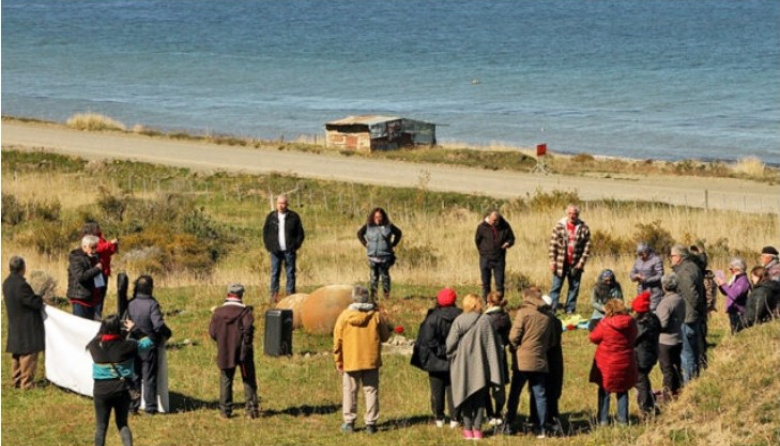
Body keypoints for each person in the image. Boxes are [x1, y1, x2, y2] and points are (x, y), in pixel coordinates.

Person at [333, 286, 391, 434]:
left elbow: (337, 341)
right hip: (371, 359)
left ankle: (349, 422)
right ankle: (371, 423)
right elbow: (385, 336)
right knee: (371, 390)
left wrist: (338, 360)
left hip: (351, 360)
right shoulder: (376, 315)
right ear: (367, 298)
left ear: (353, 298)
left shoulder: (344, 316)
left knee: (350, 391)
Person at [446, 294, 505, 440]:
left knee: (465, 396)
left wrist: (456, 355)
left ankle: (467, 430)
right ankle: (478, 430)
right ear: (478, 304)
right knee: (480, 399)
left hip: (463, 365)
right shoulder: (487, 320)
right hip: (482, 365)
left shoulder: (459, 320)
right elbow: (492, 344)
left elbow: (450, 344)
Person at [87, 314, 152, 446]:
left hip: (101, 391)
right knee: (122, 424)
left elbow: (103, 340)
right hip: (122, 390)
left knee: (101, 426)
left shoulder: (93, 346)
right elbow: (148, 343)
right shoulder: (128, 346)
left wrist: (104, 328)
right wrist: (135, 329)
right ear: (119, 328)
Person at [504, 287, 556, 438]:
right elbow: (552, 341)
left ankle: (509, 423)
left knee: (515, 393)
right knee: (540, 395)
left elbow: (513, 336)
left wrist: (516, 348)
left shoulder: (523, 313)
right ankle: (542, 428)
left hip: (522, 360)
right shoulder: (547, 317)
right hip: (540, 360)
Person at [410, 287, 462, 428]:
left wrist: (441, 351)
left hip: (435, 360)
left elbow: (428, 340)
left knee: (437, 390)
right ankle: (455, 418)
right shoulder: (461, 316)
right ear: (454, 301)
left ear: (438, 300)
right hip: (456, 359)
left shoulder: (432, 318)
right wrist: (451, 351)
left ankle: (439, 418)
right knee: (454, 390)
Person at [209, 283, 259, 419]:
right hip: (243, 352)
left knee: (226, 379)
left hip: (225, 350)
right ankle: (251, 411)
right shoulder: (246, 312)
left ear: (228, 294)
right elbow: (248, 330)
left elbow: (212, 333)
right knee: (248, 379)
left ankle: (225, 412)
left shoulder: (218, 312)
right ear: (241, 295)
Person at [589, 299, 638, 426]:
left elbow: (593, 338)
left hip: (607, 362)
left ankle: (603, 419)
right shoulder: (631, 322)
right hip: (625, 360)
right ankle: (623, 420)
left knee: (604, 390)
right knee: (623, 389)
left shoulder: (605, 323)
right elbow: (635, 337)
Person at [127, 275, 169, 415]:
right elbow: (158, 325)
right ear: (150, 288)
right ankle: (150, 408)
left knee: (135, 377)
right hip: (148, 345)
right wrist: (167, 334)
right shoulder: (152, 304)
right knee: (149, 377)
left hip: (132, 343)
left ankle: (133, 406)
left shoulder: (130, 303)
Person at [3, 256, 45, 390]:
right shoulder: (21, 284)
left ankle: (15, 380)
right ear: (22, 268)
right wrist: (39, 299)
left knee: (17, 353)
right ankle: (26, 383)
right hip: (26, 323)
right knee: (28, 353)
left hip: (15, 321)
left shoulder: (7, 282)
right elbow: (32, 302)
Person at [669, 244, 706, 385]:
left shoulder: (684, 272)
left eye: (672, 256)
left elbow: (692, 295)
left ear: (679, 257)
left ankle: (689, 384)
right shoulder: (693, 267)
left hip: (687, 316)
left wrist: (694, 309)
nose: (670, 258)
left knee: (687, 353)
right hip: (693, 315)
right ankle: (695, 380)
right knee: (694, 351)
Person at [530, 294, 564, 436]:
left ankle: (538, 419)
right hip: (555, 357)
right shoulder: (556, 321)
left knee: (538, 390)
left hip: (544, 356)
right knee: (552, 389)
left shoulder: (542, 320)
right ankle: (552, 418)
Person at [548, 204, 591, 314]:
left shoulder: (584, 228)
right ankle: (552, 310)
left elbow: (587, 247)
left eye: (575, 214)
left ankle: (570, 310)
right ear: (567, 214)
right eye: (570, 213)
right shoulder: (559, 226)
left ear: (578, 215)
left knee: (574, 288)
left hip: (576, 263)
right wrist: (552, 261)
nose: (572, 216)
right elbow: (552, 245)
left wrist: (581, 263)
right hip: (560, 262)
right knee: (556, 287)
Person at [262, 194, 305, 303]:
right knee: (275, 272)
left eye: (283, 203)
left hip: (289, 250)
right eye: (279, 203)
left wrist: (295, 245)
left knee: (290, 273)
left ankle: (290, 296)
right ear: (276, 204)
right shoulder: (271, 217)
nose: (281, 206)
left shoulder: (294, 217)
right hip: (275, 250)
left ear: (287, 204)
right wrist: (269, 246)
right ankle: (274, 296)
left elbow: (300, 233)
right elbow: (265, 232)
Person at [357, 207, 403, 300]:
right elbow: (359, 234)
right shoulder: (368, 226)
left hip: (385, 257)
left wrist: (393, 244)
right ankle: (374, 297)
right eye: (376, 216)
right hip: (373, 257)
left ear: (383, 217)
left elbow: (398, 233)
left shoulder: (389, 226)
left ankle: (386, 296)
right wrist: (365, 244)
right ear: (373, 217)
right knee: (374, 278)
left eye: (380, 217)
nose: (378, 218)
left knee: (385, 277)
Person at [655, 273, 685, 402]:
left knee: (666, 369)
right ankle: (678, 391)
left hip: (665, 340)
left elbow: (663, 323)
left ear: (664, 286)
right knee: (676, 366)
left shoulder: (665, 302)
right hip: (678, 337)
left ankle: (667, 396)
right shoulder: (680, 299)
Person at [484, 291, 511, 427]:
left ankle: (489, 414)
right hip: (501, 354)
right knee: (499, 385)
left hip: (487, 355)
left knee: (486, 385)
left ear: (489, 302)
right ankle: (498, 412)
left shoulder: (486, 319)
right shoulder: (505, 317)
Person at [474, 210, 515, 300]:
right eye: (493, 220)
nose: (495, 222)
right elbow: (477, 240)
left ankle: (499, 303)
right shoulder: (481, 227)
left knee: (499, 283)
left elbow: (511, 238)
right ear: (489, 218)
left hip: (499, 259)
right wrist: (483, 251)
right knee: (485, 283)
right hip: (485, 258)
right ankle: (487, 302)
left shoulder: (505, 226)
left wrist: (508, 243)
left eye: (497, 221)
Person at [631, 291, 661, 418]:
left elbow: (633, 338)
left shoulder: (642, 323)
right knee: (643, 380)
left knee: (640, 381)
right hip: (652, 354)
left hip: (642, 357)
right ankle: (651, 403)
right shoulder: (654, 318)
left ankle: (646, 408)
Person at [82, 221, 119, 320]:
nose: (99, 228)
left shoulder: (101, 238)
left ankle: (98, 314)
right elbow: (98, 249)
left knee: (101, 294)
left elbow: (107, 252)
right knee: (97, 295)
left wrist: (113, 246)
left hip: (104, 270)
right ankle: (95, 315)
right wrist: (110, 243)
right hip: (97, 271)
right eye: (97, 227)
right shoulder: (89, 240)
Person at [68, 235, 104, 320]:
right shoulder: (76, 258)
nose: (94, 250)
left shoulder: (94, 257)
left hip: (91, 298)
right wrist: (97, 269)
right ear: (84, 246)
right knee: (81, 327)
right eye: (92, 247)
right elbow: (81, 276)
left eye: (96, 247)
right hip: (80, 299)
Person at [714, 257, 750, 334]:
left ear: (737, 269)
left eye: (731, 269)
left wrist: (724, 284)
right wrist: (721, 285)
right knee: (734, 331)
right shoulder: (735, 279)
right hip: (733, 311)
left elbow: (734, 294)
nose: (730, 271)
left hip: (739, 312)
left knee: (738, 333)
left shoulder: (743, 281)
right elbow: (727, 292)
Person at [629, 242, 664, 312]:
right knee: (641, 310)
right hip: (641, 291)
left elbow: (660, 275)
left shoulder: (656, 260)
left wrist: (647, 279)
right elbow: (632, 273)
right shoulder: (638, 260)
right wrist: (635, 276)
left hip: (654, 292)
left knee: (652, 311)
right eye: (639, 255)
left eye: (643, 254)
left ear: (648, 252)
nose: (641, 257)